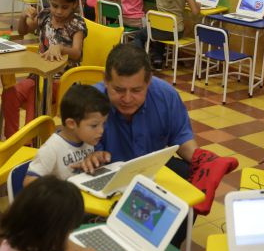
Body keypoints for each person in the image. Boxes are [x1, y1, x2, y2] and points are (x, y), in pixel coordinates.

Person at [79, 43, 198, 179]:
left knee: (195, 172)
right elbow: (73, 149)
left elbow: (182, 138)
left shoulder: (166, 95)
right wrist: (89, 157)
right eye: (119, 90)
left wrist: (205, 161)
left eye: (136, 90)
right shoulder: (88, 103)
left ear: (148, 81)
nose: (127, 99)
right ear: (106, 80)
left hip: (150, 168)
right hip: (107, 174)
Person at [2, 0, 86, 138]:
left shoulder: (77, 24)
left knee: (36, 94)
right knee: (9, 94)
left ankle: (29, 143)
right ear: (49, 1)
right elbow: (22, 31)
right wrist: (23, 17)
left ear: (75, 4)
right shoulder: (46, 16)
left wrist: (61, 48)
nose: (59, 11)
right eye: (55, 6)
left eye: (65, 7)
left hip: (62, 82)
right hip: (38, 77)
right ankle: (12, 140)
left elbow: (77, 52)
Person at [23, 84, 109, 186]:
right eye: (94, 125)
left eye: (103, 124)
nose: (101, 131)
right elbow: (28, 183)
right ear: (71, 124)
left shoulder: (87, 139)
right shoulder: (51, 149)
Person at [133, 0, 199, 70]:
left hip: (157, 30)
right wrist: (198, 5)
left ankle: (142, 60)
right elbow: (194, 11)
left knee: (140, 34)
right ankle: (158, 57)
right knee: (171, 27)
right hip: (174, 32)